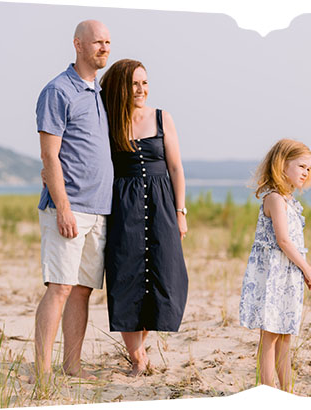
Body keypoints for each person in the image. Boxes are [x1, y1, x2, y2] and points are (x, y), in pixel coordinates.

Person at [98, 59, 190, 377]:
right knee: (126, 276)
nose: (141, 89)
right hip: (123, 205)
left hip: (162, 203)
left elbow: (176, 168)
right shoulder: (107, 119)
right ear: (122, 86)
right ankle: (137, 357)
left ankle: (140, 347)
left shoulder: (162, 118)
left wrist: (180, 211)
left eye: (145, 83)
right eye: (134, 83)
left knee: (165, 275)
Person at [33, 19, 113, 380]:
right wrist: (62, 207)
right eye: (97, 42)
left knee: (82, 291)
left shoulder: (99, 93)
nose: (104, 48)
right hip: (68, 209)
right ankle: (44, 370)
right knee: (60, 288)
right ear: (78, 45)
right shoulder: (58, 90)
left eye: (108, 42)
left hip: (100, 210)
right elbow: (50, 156)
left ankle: (73, 366)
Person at [239, 139, 311, 391]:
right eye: (301, 166)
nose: (306, 172)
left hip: (288, 275)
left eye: (309, 168)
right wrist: (307, 267)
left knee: (285, 335)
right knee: (270, 337)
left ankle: (287, 391)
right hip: (274, 274)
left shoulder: (289, 201)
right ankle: (267, 391)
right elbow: (283, 240)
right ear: (282, 165)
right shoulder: (274, 198)